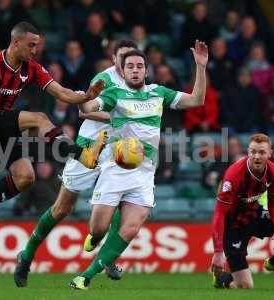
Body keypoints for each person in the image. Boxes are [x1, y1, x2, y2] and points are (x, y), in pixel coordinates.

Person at [69, 40, 208, 290]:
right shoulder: (115, 94)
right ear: (123, 71)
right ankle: (96, 236)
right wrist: (85, 98)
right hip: (115, 168)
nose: (135, 69)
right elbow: (88, 108)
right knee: (98, 227)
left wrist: (200, 66)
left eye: (139, 66)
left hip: (144, 173)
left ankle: (86, 276)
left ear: (146, 71)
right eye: (130, 66)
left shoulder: (158, 93)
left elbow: (197, 100)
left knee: (131, 228)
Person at [0, 22, 104, 242]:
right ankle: (82, 154)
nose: (35, 50)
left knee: (25, 177)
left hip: (2, 125)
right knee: (39, 119)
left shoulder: (32, 68)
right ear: (16, 43)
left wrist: (87, 96)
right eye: (31, 45)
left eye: (37, 45)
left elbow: (62, 93)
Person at [13, 39, 138, 288]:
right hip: (88, 149)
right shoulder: (103, 79)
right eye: (122, 58)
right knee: (62, 209)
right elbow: (84, 111)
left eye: (131, 59)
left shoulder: (138, 83)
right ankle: (26, 256)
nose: (127, 64)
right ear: (114, 59)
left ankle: (108, 257)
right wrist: (120, 114)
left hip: (116, 151)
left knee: (124, 203)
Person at [211, 133, 274, 289]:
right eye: (253, 152)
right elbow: (219, 214)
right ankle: (222, 279)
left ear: (270, 153)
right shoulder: (234, 175)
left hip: (254, 215)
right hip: (233, 226)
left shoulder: (273, 171)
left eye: (262, 152)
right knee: (246, 286)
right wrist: (218, 253)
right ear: (248, 152)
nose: (257, 156)